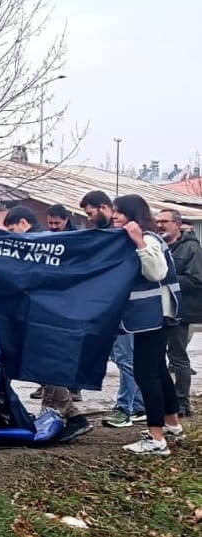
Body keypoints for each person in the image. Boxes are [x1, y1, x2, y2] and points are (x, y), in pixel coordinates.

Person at [3, 205, 94, 442]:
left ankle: (72, 416)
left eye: (12, 229)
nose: (11, 235)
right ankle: (64, 416)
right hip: (46, 314)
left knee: (44, 366)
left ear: (23, 223)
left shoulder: (35, 243)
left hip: (41, 316)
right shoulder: (44, 242)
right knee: (43, 366)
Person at [112, 195, 186, 455]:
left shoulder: (149, 239)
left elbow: (156, 272)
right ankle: (172, 424)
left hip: (153, 316)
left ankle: (156, 439)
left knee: (145, 374)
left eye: (120, 212)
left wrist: (139, 241)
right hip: (151, 317)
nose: (115, 216)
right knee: (158, 370)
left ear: (134, 215)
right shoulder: (143, 237)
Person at [82, 190, 146, 427]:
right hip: (114, 307)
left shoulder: (123, 237)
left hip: (125, 309)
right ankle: (138, 405)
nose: (88, 218)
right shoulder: (110, 235)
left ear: (104, 208)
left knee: (126, 359)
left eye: (90, 213)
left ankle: (125, 408)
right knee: (128, 359)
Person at [157, 208, 201, 417]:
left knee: (177, 357)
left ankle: (182, 402)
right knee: (157, 357)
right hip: (158, 309)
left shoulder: (191, 248)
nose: (160, 225)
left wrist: (166, 278)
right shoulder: (157, 245)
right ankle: (163, 399)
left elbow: (196, 280)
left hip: (181, 310)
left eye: (164, 221)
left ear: (177, 224)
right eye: (158, 221)